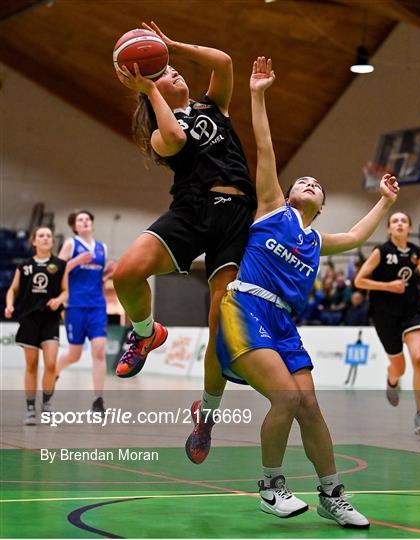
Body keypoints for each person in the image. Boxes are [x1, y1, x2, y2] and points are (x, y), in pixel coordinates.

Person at [216, 57, 400, 528]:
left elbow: (358, 236)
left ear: (321, 205)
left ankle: (331, 494)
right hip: (246, 306)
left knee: (311, 406)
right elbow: (265, 146)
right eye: (303, 180)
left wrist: (385, 200)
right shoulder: (272, 207)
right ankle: (271, 487)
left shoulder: (318, 240)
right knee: (286, 399)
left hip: (284, 323)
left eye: (316, 184)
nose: (308, 182)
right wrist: (258, 93)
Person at [113, 21, 256, 463]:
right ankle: (145, 332)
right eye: (166, 73)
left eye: (175, 70)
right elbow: (174, 137)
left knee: (219, 325)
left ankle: (207, 416)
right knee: (126, 273)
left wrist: (171, 45)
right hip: (192, 212)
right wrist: (149, 87)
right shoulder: (160, 132)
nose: (175, 73)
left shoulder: (215, 106)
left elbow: (225, 62)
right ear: (153, 90)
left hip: (234, 217)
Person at [354, 212, 420, 434]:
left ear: (409, 228)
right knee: (400, 367)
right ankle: (392, 378)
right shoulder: (381, 251)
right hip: (384, 314)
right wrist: (388, 286)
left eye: (404, 221)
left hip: (412, 313)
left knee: (418, 359)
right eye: (395, 221)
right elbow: (359, 280)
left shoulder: (418, 254)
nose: (399, 224)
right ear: (389, 229)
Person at [4, 227, 68, 425]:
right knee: (31, 366)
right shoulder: (24, 266)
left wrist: (59, 300)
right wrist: (9, 305)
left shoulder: (60, 264)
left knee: (50, 364)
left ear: (52, 241)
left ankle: (47, 404)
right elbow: (12, 289)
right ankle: (30, 408)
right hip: (29, 319)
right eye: (41, 235)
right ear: (34, 241)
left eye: (49, 235)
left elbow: (66, 291)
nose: (46, 238)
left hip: (50, 320)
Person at [57, 210, 115, 414]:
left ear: (92, 223)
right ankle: (55, 370)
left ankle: (98, 400)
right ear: (75, 226)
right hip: (75, 305)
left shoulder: (102, 248)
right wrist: (76, 261)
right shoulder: (71, 244)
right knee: (74, 354)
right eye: (80, 220)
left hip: (97, 305)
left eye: (88, 219)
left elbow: (99, 277)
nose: (85, 222)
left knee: (99, 350)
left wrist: (108, 273)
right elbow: (56, 269)